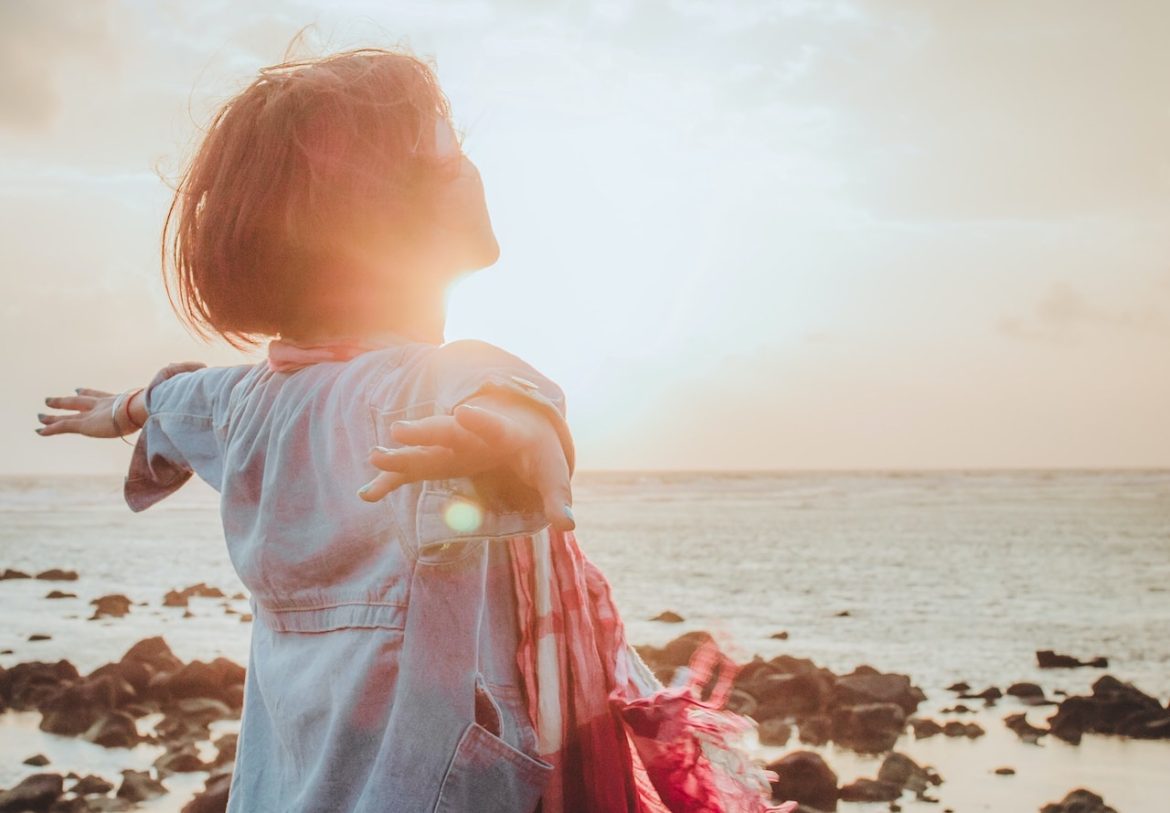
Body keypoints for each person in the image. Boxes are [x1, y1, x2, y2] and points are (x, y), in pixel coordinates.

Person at [38, 48, 785, 813]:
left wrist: (125, 408)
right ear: (376, 212)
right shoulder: (424, 386)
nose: (471, 169)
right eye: (449, 154)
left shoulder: (247, 402)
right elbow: (501, 391)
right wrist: (510, 432)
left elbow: (178, 399)